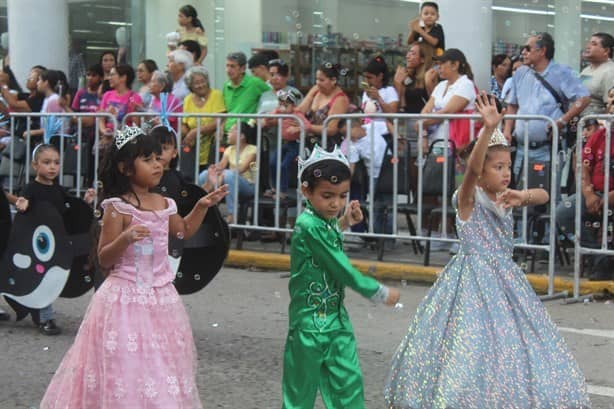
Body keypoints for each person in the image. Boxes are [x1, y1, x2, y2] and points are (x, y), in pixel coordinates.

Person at [384, 93, 590, 408]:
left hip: (506, 279)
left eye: (508, 166)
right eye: (497, 167)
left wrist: (523, 194)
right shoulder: (468, 199)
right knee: (471, 340)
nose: (506, 173)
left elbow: (545, 195)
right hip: (471, 281)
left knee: (512, 341)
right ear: (481, 170)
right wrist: (487, 129)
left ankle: (506, 392)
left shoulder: (507, 195)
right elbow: (470, 172)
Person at [39, 126, 228, 408]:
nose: (157, 164)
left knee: (160, 366)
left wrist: (201, 206)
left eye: (157, 158)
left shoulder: (165, 203)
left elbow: (183, 231)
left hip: (161, 299)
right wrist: (125, 239)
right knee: (125, 368)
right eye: (147, 159)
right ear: (126, 168)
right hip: (123, 301)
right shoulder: (118, 207)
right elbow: (104, 259)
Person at [281, 144, 400, 408]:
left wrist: (345, 221)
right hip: (309, 325)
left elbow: (328, 234)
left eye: (342, 195)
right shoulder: (306, 225)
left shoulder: (321, 222)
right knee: (299, 394)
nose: (335, 203)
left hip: (337, 322)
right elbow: (338, 266)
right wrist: (377, 291)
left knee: (349, 386)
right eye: (327, 195)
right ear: (306, 191)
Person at [12, 144, 94, 335]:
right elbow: (23, 207)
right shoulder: (31, 188)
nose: (52, 167)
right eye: (46, 162)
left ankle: (40, 313)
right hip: (36, 246)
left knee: (48, 280)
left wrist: (85, 200)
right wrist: (22, 205)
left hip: (53, 244)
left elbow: (70, 209)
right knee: (41, 280)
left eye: (56, 163)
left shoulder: (58, 189)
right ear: (35, 165)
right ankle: (45, 317)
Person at [503, 32, 590, 180]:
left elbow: (584, 97)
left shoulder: (562, 73)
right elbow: (513, 104)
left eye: (528, 48)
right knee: (519, 193)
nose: (523, 52)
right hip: (521, 148)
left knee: (545, 192)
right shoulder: (520, 73)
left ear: (542, 51)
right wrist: (506, 131)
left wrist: (562, 121)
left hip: (547, 148)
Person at [556, 119, 614, 281]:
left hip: (610, 195)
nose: (611, 109)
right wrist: (588, 194)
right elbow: (583, 166)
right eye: (611, 104)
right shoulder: (600, 136)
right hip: (596, 194)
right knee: (563, 213)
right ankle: (600, 260)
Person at [418, 48, 478, 151]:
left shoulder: (465, 84)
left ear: (455, 65)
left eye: (442, 63)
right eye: (437, 64)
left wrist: (421, 123)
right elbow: (425, 111)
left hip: (455, 144)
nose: (438, 67)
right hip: (435, 141)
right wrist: (423, 135)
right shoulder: (441, 85)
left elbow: (446, 112)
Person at [199, 122, 257, 224]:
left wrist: (223, 174)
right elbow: (221, 165)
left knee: (230, 175)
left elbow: (242, 169)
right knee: (205, 174)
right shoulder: (229, 149)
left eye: (231, 131)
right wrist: (214, 169)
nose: (228, 133)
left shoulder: (253, 150)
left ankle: (232, 214)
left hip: (248, 185)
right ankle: (205, 210)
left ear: (242, 136)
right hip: (230, 181)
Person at [263, 88, 310, 199]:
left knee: (284, 165)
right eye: (281, 104)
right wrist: (275, 111)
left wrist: (297, 129)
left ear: (293, 105)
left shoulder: (297, 114)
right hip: (283, 143)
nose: (283, 107)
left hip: (295, 144)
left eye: (286, 105)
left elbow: (308, 125)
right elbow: (267, 119)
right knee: (273, 163)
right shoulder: (280, 112)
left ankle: (283, 191)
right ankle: (274, 188)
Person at [296, 63, 349, 150]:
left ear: (333, 80)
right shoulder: (316, 89)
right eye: (317, 79)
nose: (318, 83)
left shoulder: (340, 99)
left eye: (322, 80)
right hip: (308, 142)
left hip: (328, 146)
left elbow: (331, 129)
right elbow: (301, 109)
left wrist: (308, 127)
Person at [182, 66, 226, 170]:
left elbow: (218, 121)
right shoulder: (188, 99)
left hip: (213, 146)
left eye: (203, 81)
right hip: (194, 148)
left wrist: (195, 132)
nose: (201, 85)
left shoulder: (216, 95)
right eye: (196, 83)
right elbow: (184, 123)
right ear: (190, 86)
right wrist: (185, 134)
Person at [70, 63, 103, 185]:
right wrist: (85, 120)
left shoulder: (102, 95)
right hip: (82, 135)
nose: (90, 78)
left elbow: (93, 119)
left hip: (97, 135)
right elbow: (73, 116)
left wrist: (86, 120)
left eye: (93, 75)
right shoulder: (80, 93)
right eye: (88, 75)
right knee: (80, 163)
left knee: (94, 164)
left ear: (100, 77)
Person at [222, 51, 270, 134]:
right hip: (227, 133)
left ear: (243, 68)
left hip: (246, 134)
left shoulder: (255, 83)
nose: (228, 70)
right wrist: (221, 127)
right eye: (227, 66)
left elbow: (273, 98)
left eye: (232, 66)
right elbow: (226, 112)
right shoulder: (226, 85)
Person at [98, 64, 143, 144]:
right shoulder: (107, 95)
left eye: (112, 75)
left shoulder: (134, 97)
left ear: (123, 77)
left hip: (125, 141)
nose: (109, 78)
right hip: (107, 139)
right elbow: (101, 119)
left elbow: (135, 125)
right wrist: (104, 131)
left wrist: (118, 138)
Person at [579, 32, 614, 117]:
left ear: (606, 51)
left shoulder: (610, 71)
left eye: (594, 44)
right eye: (589, 43)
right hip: (580, 123)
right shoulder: (586, 70)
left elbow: (611, 106)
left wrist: (600, 127)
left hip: (595, 125)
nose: (588, 47)